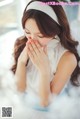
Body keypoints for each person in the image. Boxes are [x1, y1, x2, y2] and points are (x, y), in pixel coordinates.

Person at [11, 0, 80, 112]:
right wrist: (21, 62)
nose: (32, 40)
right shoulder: (21, 43)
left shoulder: (67, 58)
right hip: (26, 102)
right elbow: (20, 89)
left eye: (40, 35)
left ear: (55, 31)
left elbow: (45, 103)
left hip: (53, 109)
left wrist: (44, 70)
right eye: (27, 32)